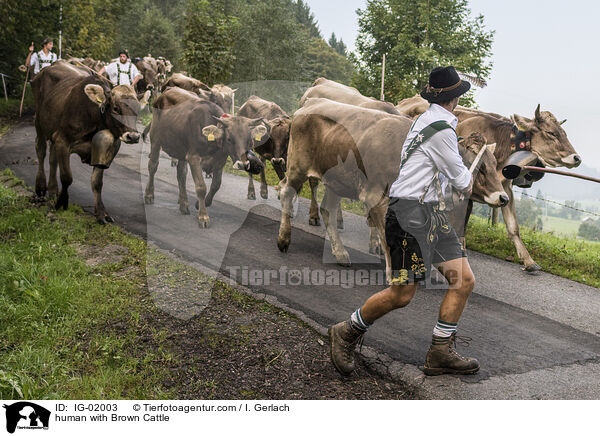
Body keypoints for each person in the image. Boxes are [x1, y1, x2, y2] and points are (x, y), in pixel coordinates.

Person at [328, 66, 480, 377]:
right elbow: (463, 182)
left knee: (463, 280)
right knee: (402, 294)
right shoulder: (441, 129)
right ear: (455, 99)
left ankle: (440, 351)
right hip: (409, 214)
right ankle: (345, 331)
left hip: (429, 211)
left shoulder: (428, 120)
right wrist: (475, 170)